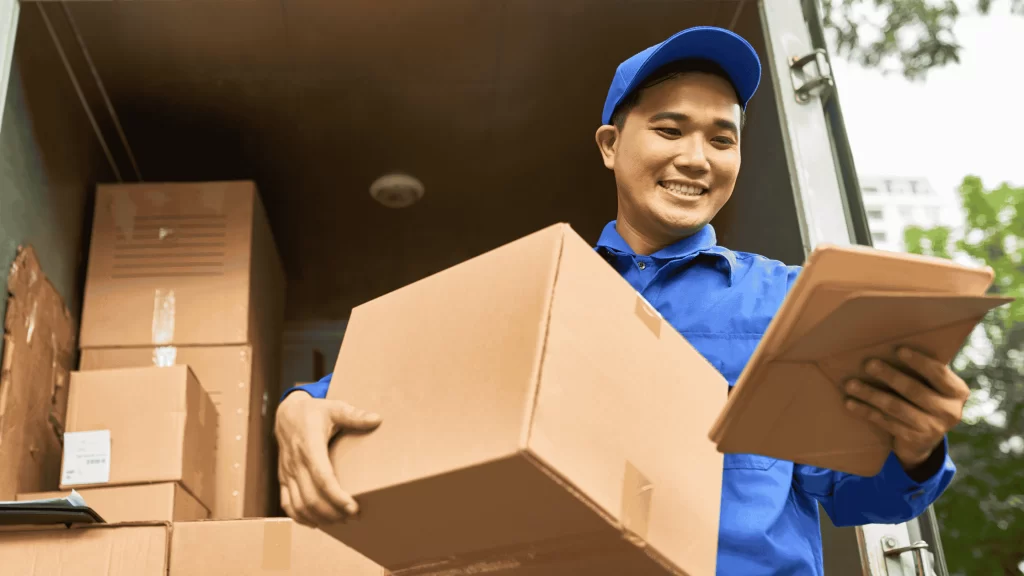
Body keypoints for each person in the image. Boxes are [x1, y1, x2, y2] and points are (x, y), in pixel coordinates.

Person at [274, 26, 967, 575]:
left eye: (722, 139)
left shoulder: (788, 301)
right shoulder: (534, 290)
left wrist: (915, 448)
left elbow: (851, 494)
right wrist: (300, 406)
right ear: (611, 145)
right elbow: (387, 389)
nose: (698, 157)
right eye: (670, 130)